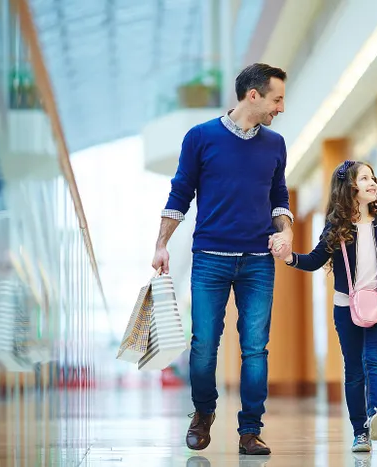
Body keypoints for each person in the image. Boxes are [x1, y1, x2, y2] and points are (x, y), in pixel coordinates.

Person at [151, 63, 294, 456]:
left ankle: (250, 430)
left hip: (257, 262)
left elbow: (279, 196)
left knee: (255, 349)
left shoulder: (275, 144)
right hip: (210, 258)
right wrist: (162, 244)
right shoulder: (200, 138)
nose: (281, 107)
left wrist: (286, 230)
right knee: (203, 346)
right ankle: (203, 413)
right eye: (276, 99)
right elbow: (180, 193)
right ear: (253, 95)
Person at [276, 160, 377, 453]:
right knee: (353, 369)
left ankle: (376, 413)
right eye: (364, 178)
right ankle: (360, 432)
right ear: (350, 188)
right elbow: (314, 260)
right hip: (345, 308)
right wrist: (289, 258)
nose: (373, 182)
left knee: (374, 358)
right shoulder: (336, 228)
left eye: (373, 177)